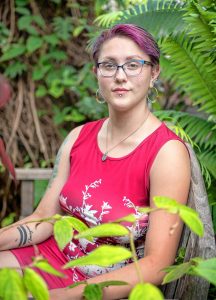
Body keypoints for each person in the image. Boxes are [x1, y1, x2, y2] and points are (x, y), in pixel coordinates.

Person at [0, 24, 191, 300]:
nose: (120, 76)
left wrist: (62, 295)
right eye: (109, 65)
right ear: (96, 73)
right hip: (52, 257)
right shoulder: (79, 136)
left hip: (105, 283)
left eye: (134, 65)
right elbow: (44, 219)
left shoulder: (166, 153)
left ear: (154, 72)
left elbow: (156, 265)